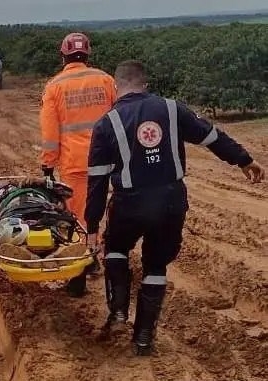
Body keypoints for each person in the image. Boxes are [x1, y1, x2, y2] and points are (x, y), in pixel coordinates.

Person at [85, 59, 265, 355]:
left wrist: (92, 227)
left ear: (117, 87)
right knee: (156, 265)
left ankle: (118, 311)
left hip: (129, 203)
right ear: (145, 84)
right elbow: (211, 136)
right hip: (171, 201)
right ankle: (143, 339)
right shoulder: (171, 108)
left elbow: (97, 182)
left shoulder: (107, 123)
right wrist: (243, 159)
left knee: (115, 247)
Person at [40, 32, 117, 228]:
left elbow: (50, 133)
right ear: (87, 55)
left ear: (63, 56)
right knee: (110, 207)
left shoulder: (54, 87)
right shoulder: (106, 80)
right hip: (109, 157)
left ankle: (86, 252)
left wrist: (48, 165)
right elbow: (121, 118)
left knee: (79, 215)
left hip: (76, 162)